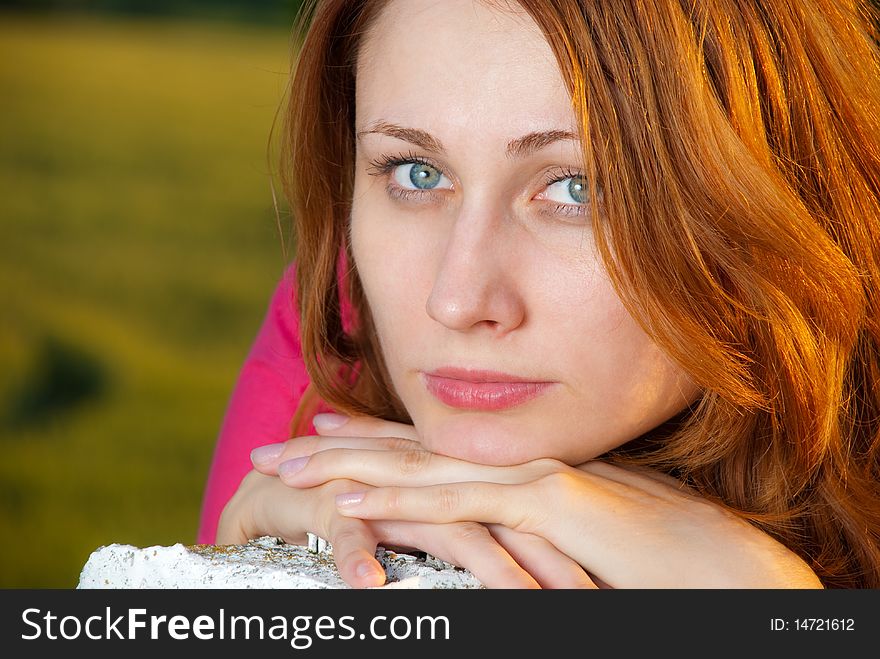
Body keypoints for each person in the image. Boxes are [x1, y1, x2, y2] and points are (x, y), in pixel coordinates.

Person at [200, 0, 880, 588]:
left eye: (578, 188)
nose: (456, 301)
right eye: (416, 172)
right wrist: (226, 587)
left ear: (771, 198)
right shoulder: (336, 333)